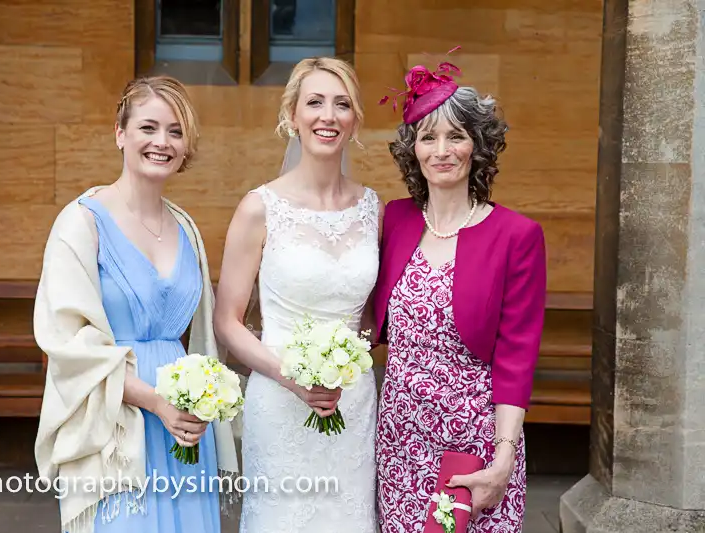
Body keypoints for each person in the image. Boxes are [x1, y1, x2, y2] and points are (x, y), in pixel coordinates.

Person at [33, 75, 239, 533]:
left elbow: (202, 339)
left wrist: (199, 400)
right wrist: (155, 401)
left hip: (185, 427)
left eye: (175, 131)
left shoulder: (187, 228)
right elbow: (66, 345)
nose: (161, 142)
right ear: (120, 132)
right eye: (148, 128)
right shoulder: (81, 222)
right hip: (118, 422)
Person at [372, 60, 547, 532]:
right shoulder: (395, 220)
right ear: (413, 150)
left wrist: (503, 456)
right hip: (399, 438)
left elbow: (517, 355)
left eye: (456, 136)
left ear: (479, 147)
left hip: (473, 438)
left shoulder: (516, 235)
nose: (442, 150)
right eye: (429, 138)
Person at [213, 57, 383, 533]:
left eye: (341, 104)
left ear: (354, 122)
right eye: (314, 102)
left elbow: (370, 317)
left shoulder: (373, 209)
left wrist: (350, 356)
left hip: (351, 403)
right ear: (292, 116)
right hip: (280, 399)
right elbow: (226, 321)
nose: (328, 115)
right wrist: (292, 375)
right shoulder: (258, 208)